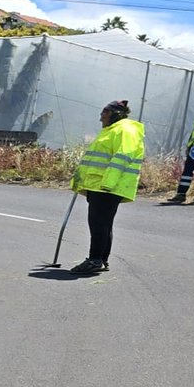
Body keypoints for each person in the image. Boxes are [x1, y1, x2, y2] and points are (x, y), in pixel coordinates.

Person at [69, 99, 146, 276]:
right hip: (99, 185)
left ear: (116, 114)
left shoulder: (124, 130)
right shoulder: (112, 130)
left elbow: (123, 157)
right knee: (103, 223)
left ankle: (95, 260)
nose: (101, 115)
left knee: (98, 223)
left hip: (106, 186)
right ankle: (101, 259)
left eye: (105, 111)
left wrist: (108, 184)